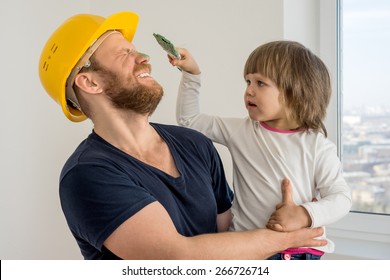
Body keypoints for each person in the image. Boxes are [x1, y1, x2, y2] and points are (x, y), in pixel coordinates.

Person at [38, 11, 327, 260]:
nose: (143, 57)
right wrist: (288, 239)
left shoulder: (195, 144)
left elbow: (228, 235)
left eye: (135, 49)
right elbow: (177, 257)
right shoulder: (88, 174)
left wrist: (290, 214)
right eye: (124, 53)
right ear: (89, 81)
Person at [171, 41, 352, 260]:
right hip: (246, 249)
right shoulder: (240, 131)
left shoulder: (317, 146)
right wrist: (192, 75)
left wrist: (304, 214)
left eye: (260, 83)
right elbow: (189, 120)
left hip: (295, 253)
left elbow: (341, 198)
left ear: (295, 91)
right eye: (248, 81)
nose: (249, 90)